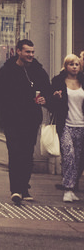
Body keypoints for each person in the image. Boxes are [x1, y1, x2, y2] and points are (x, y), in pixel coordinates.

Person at [0, 39, 52, 206]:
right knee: (15, 153)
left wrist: (46, 99)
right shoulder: (7, 71)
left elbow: (48, 90)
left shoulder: (38, 71)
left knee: (27, 154)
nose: (30, 55)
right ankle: (15, 190)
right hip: (11, 119)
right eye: (27, 52)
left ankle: (24, 187)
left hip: (31, 119)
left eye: (32, 52)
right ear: (18, 51)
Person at [50, 53, 84, 203]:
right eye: (71, 64)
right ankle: (68, 190)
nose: (74, 67)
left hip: (81, 125)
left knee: (77, 159)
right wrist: (55, 98)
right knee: (69, 155)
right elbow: (51, 104)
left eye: (77, 64)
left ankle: (71, 188)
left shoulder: (83, 81)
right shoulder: (58, 81)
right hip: (66, 125)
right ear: (65, 66)